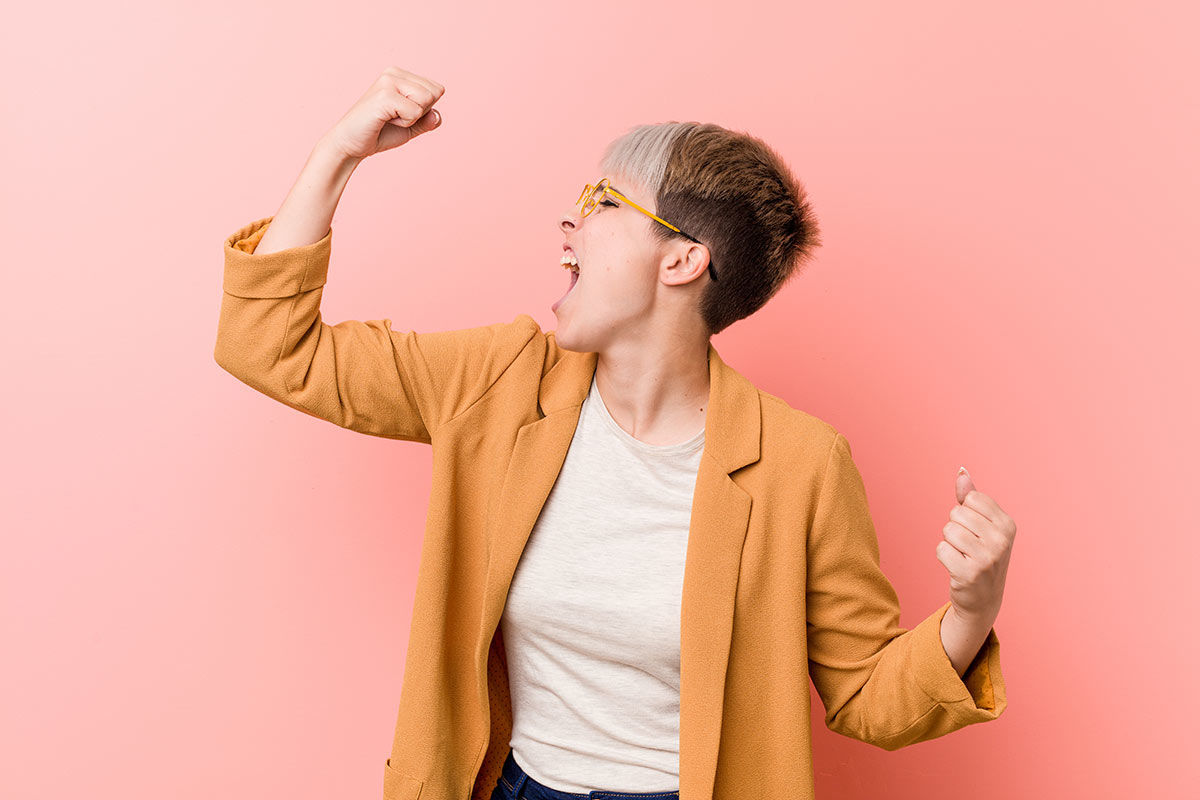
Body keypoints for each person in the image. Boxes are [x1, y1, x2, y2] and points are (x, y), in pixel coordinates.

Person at [215, 67, 1012, 800]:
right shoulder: (498, 383)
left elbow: (869, 696)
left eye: (602, 202)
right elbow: (272, 347)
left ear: (681, 261)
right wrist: (339, 153)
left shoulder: (799, 464)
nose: (570, 220)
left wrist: (970, 611)